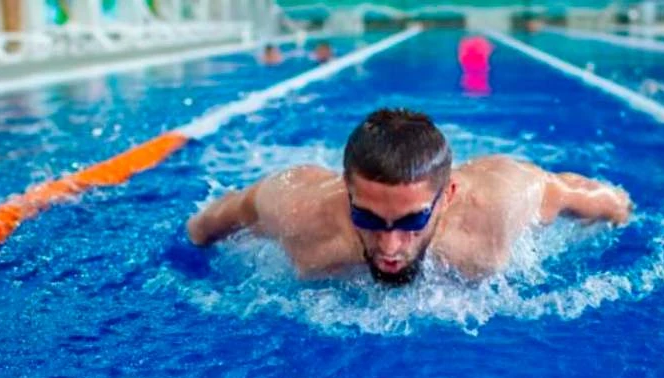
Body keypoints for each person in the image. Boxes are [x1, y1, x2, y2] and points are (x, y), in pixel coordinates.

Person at [185, 108, 631, 285]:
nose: (389, 246)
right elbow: (207, 224)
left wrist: (618, 212)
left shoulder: (504, 204)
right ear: (346, 191)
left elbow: (590, 199)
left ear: (448, 195)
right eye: (371, 219)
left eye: (411, 221)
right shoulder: (297, 208)